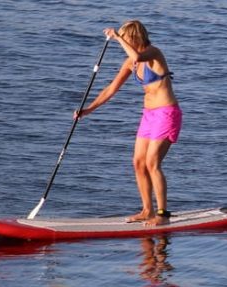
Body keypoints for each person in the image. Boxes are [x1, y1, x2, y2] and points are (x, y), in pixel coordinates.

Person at [75, 20, 182, 226]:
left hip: (167, 113)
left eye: (125, 38)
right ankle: (146, 210)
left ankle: (163, 214)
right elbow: (111, 89)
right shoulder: (130, 62)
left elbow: (138, 56)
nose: (122, 42)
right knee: (138, 163)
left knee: (152, 163)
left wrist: (116, 37)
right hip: (149, 115)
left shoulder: (153, 53)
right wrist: (87, 110)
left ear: (134, 38)